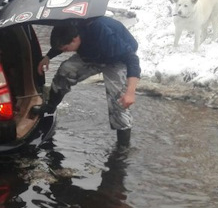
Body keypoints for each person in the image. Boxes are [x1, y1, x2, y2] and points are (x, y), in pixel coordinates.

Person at [35, 17, 140, 148]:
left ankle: (123, 147)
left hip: (116, 58)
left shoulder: (104, 34)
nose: (66, 51)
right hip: (91, 55)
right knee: (65, 70)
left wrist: (130, 92)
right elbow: (62, 44)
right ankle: (50, 106)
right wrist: (47, 57)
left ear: (75, 39)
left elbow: (132, 60)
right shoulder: (70, 27)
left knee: (118, 102)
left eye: (67, 49)